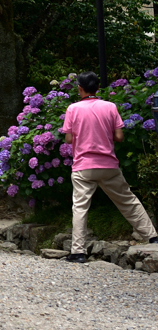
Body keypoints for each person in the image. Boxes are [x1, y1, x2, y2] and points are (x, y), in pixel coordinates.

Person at [61, 72, 158, 263]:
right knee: (128, 201)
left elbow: (69, 138)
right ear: (97, 88)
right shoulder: (110, 107)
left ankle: (78, 252)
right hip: (108, 165)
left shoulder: (73, 109)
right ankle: (153, 236)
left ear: (80, 88)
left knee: (80, 208)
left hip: (83, 166)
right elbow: (119, 137)